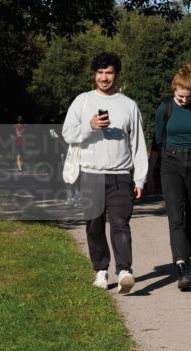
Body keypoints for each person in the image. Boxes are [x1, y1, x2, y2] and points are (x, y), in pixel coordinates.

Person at [62, 52, 148, 293]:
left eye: (109, 72)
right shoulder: (82, 101)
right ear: (94, 75)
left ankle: (124, 272)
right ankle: (101, 270)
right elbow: (68, 134)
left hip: (121, 175)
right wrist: (90, 126)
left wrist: (140, 178)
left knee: (121, 223)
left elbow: (138, 144)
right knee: (94, 225)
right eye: (100, 72)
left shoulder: (129, 105)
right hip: (90, 173)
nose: (104, 77)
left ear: (116, 75)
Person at [153, 63, 191, 290]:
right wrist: (150, 171)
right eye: (180, 97)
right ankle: (182, 268)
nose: (183, 101)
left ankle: (185, 254)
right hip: (170, 162)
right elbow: (157, 142)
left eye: (188, 97)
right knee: (176, 215)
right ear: (174, 90)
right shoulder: (164, 109)